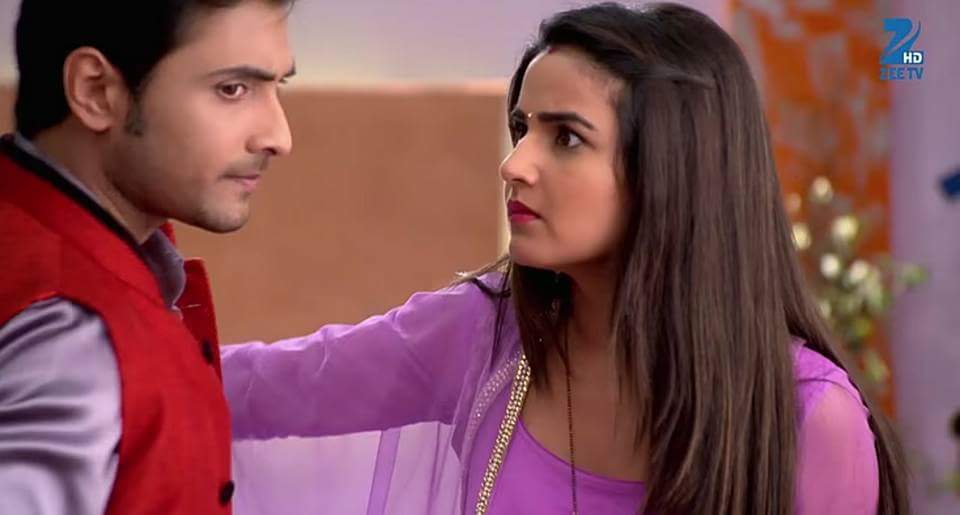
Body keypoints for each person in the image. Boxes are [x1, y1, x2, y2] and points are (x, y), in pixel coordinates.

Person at [221, 3, 908, 514]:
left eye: (567, 138)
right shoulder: (480, 336)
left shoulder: (807, 416)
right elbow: (268, 385)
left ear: (671, 168)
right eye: (521, 129)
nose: (514, 164)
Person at [0, 1, 294, 513]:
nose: (278, 137)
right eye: (232, 89)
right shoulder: (69, 333)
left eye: (279, 86)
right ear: (95, 90)